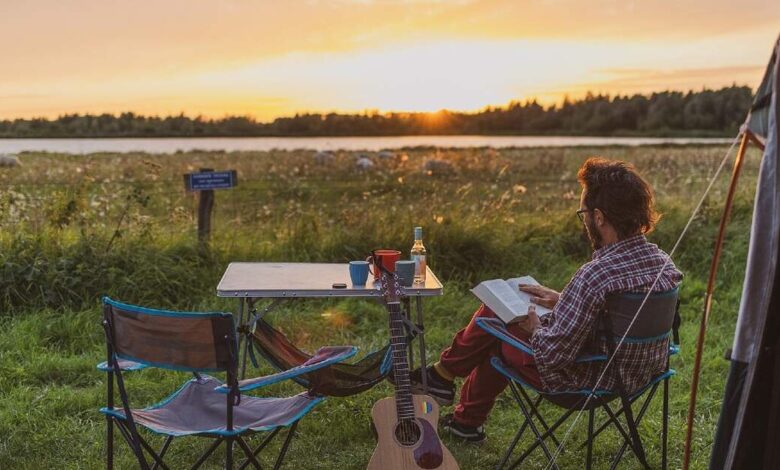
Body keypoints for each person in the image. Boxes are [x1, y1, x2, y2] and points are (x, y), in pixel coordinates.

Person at [410, 157, 683, 443]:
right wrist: (564, 300)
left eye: (584, 213)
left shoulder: (596, 275)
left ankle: (445, 380)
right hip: (637, 378)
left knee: (494, 326)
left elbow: (553, 354)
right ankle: (460, 415)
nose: (585, 221)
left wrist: (534, 329)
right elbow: (620, 315)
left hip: (583, 382)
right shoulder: (662, 263)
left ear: (599, 217)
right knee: (496, 332)